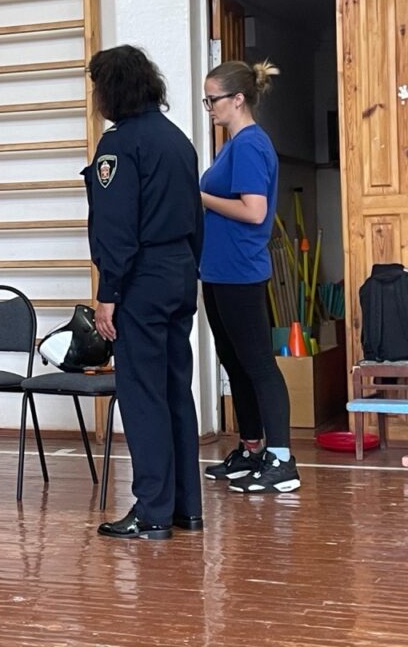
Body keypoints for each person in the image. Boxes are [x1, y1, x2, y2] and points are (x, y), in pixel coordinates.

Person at [83, 45, 204, 540]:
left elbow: (117, 228)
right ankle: (185, 508)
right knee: (177, 389)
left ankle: (152, 511)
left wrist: (108, 292)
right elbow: (195, 217)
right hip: (179, 272)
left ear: (110, 89)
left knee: (142, 394)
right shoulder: (178, 140)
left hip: (140, 279)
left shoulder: (119, 146)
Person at [200, 60, 300, 493]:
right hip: (218, 270)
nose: (209, 107)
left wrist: (198, 196)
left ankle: (281, 458)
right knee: (234, 361)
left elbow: (254, 210)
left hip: (241, 271)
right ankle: (252, 448)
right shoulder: (230, 145)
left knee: (257, 362)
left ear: (237, 99)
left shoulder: (250, 146)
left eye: (213, 99)